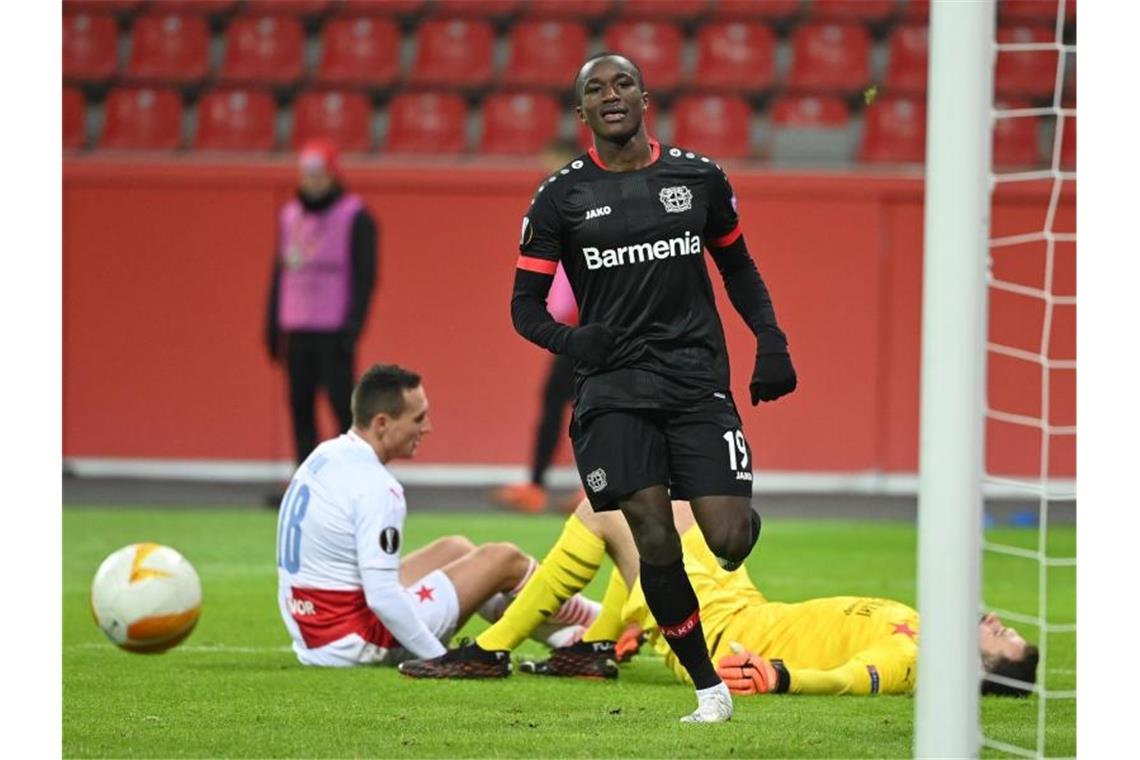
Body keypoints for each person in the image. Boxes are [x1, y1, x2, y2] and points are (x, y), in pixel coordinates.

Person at [401, 52, 798, 723]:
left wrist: (772, 340)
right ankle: (709, 689)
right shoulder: (560, 197)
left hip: (696, 380)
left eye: (621, 84)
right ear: (582, 113)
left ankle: (721, 521)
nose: (610, 95)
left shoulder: (698, 179)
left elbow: (740, 270)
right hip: (612, 390)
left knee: (727, 538)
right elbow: (523, 306)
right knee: (654, 539)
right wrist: (571, 341)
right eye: (594, 89)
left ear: (644, 97)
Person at [403, 499, 1040, 699]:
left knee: (605, 506)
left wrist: (783, 677)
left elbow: (856, 677)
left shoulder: (919, 661)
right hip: (740, 601)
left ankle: (489, 650)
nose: (996, 622)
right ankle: (594, 646)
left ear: (981, 667)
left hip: (713, 632)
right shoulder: (927, 628)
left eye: (1002, 638)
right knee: (655, 499)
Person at [275, 363, 599, 667]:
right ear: (382, 423)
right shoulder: (377, 487)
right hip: (356, 640)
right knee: (505, 559)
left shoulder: (326, 455)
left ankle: (565, 637)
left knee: (457, 549)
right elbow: (383, 596)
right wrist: (441, 658)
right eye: (417, 419)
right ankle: (597, 622)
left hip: (315, 634)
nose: (427, 428)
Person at [265, 138, 379, 472]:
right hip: (297, 324)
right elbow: (280, 271)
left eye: (318, 174)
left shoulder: (355, 215)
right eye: (307, 174)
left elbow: (365, 274)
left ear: (332, 175)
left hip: (334, 328)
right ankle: (307, 478)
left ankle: (354, 477)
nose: (312, 181)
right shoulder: (289, 215)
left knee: (343, 407)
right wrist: (273, 323)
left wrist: (354, 324)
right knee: (300, 405)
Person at [492, 140, 585, 515]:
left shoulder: (585, 206)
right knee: (559, 404)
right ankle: (539, 484)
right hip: (570, 325)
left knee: (587, 406)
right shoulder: (558, 209)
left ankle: (589, 485)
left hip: (590, 323)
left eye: (552, 166)